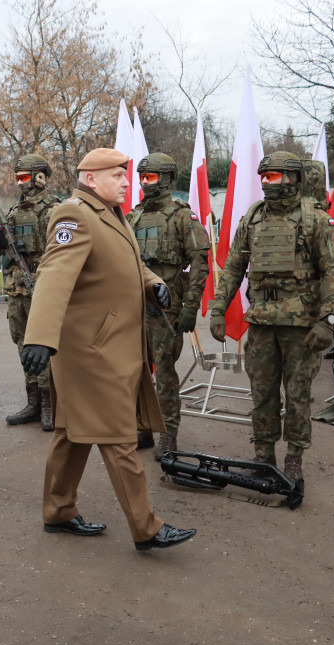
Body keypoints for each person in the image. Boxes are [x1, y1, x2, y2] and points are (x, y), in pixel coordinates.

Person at [20, 148, 195, 551]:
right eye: (117, 175)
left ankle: (58, 511)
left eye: (125, 175)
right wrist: (41, 336)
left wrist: (152, 283)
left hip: (106, 345)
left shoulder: (110, 213)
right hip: (92, 352)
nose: (126, 181)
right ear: (92, 179)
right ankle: (146, 528)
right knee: (118, 437)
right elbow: (54, 276)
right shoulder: (74, 214)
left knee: (72, 433)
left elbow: (128, 262)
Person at [209, 151, 334, 485]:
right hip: (260, 323)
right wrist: (218, 308)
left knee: (297, 396)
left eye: (273, 176)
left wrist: (327, 320)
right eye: (263, 176)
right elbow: (233, 266)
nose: (266, 182)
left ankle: (294, 460)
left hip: (301, 327)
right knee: (263, 394)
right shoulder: (254, 217)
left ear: (292, 178)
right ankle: (263, 457)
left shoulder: (315, 218)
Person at [126, 152, 211, 459]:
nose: (145, 183)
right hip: (135, 308)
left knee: (164, 374)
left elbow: (201, 263)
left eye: (150, 177)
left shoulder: (181, 217)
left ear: (166, 179)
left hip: (167, 310)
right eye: (142, 177)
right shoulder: (132, 217)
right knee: (135, 372)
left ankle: (168, 434)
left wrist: (190, 306)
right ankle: (142, 427)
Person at [0, 154, 61, 431]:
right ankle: (32, 400)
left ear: (40, 177)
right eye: (18, 178)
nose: (21, 183)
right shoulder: (13, 211)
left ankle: (49, 403)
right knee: (22, 343)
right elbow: (5, 252)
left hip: (43, 289)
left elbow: (61, 253)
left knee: (42, 345)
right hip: (17, 289)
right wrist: (1, 241)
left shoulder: (54, 209)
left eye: (25, 177)